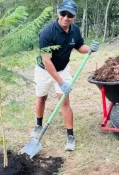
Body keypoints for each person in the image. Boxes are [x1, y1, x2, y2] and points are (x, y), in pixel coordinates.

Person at [31, 0, 99, 151]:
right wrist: (60, 82)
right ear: (58, 12)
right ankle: (38, 124)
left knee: (64, 102)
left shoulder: (74, 29)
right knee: (41, 97)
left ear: (75, 16)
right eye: (63, 13)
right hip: (44, 70)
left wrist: (90, 49)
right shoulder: (47, 32)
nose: (65, 17)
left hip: (63, 68)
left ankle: (70, 136)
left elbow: (79, 46)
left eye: (70, 15)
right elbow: (47, 61)